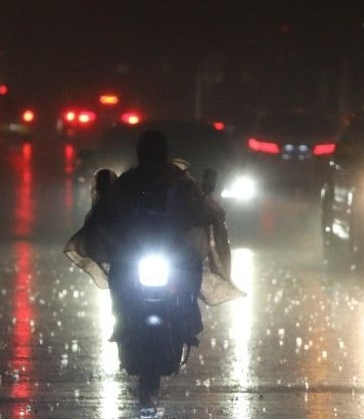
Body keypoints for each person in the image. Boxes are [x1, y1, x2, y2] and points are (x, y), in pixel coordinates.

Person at [64, 130, 242, 339]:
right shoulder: (128, 182)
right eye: (147, 152)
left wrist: (203, 214)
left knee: (191, 269)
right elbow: (108, 211)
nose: (151, 157)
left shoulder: (181, 183)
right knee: (120, 273)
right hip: (136, 250)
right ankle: (122, 319)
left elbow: (201, 210)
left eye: (154, 152)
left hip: (174, 250)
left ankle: (187, 317)